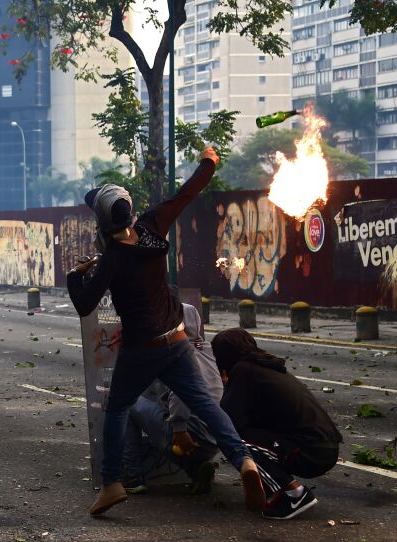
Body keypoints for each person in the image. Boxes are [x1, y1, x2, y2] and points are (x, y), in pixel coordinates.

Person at [67, 147, 266, 516]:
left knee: (117, 408)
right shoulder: (153, 227)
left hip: (141, 348)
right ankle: (243, 460)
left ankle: (112, 484)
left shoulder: (111, 259)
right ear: (130, 212)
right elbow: (187, 192)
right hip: (176, 340)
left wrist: (75, 276)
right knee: (206, 405)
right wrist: (208, 161)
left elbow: (84, 305)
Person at [211, 328, 342, 520]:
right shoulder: (264, 365)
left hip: (310, 451)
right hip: (323, 446)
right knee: (247, 434)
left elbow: (229, 421)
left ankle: (295, 494)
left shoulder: (243, 370)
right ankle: (273, 488)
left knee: (233, 439)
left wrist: (225, 386)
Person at [122, 303, 222, 495]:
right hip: (214, 439)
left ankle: (132, 476)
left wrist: (179, 428)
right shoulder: (207, 350)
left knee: (127, 402)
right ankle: (196, 469)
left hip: (186, 437)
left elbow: (181, 393)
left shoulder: (178, 352)